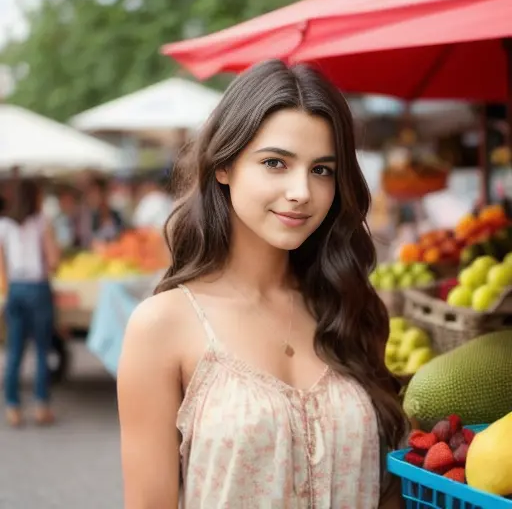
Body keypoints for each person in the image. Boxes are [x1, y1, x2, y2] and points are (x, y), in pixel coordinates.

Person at [117, 60, 406, 509]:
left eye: (322, 170)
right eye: (276, 163)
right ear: (224, 166)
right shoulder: (163, 326)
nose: (301, 191)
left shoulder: (349, 307)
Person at [0, 179, 60, 427]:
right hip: (37, 287)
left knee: (14, 352)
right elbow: (54, 259)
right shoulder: (40, 222)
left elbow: (1, 265)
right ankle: (40, 406)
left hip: (15, 288)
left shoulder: (4, 224)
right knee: (41, 350)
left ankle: (13, 407)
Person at [84, 176, 124, 244]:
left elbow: (123, 237)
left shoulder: (117, 215)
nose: (92, 197)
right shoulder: (88, 217)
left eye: (95, 194)